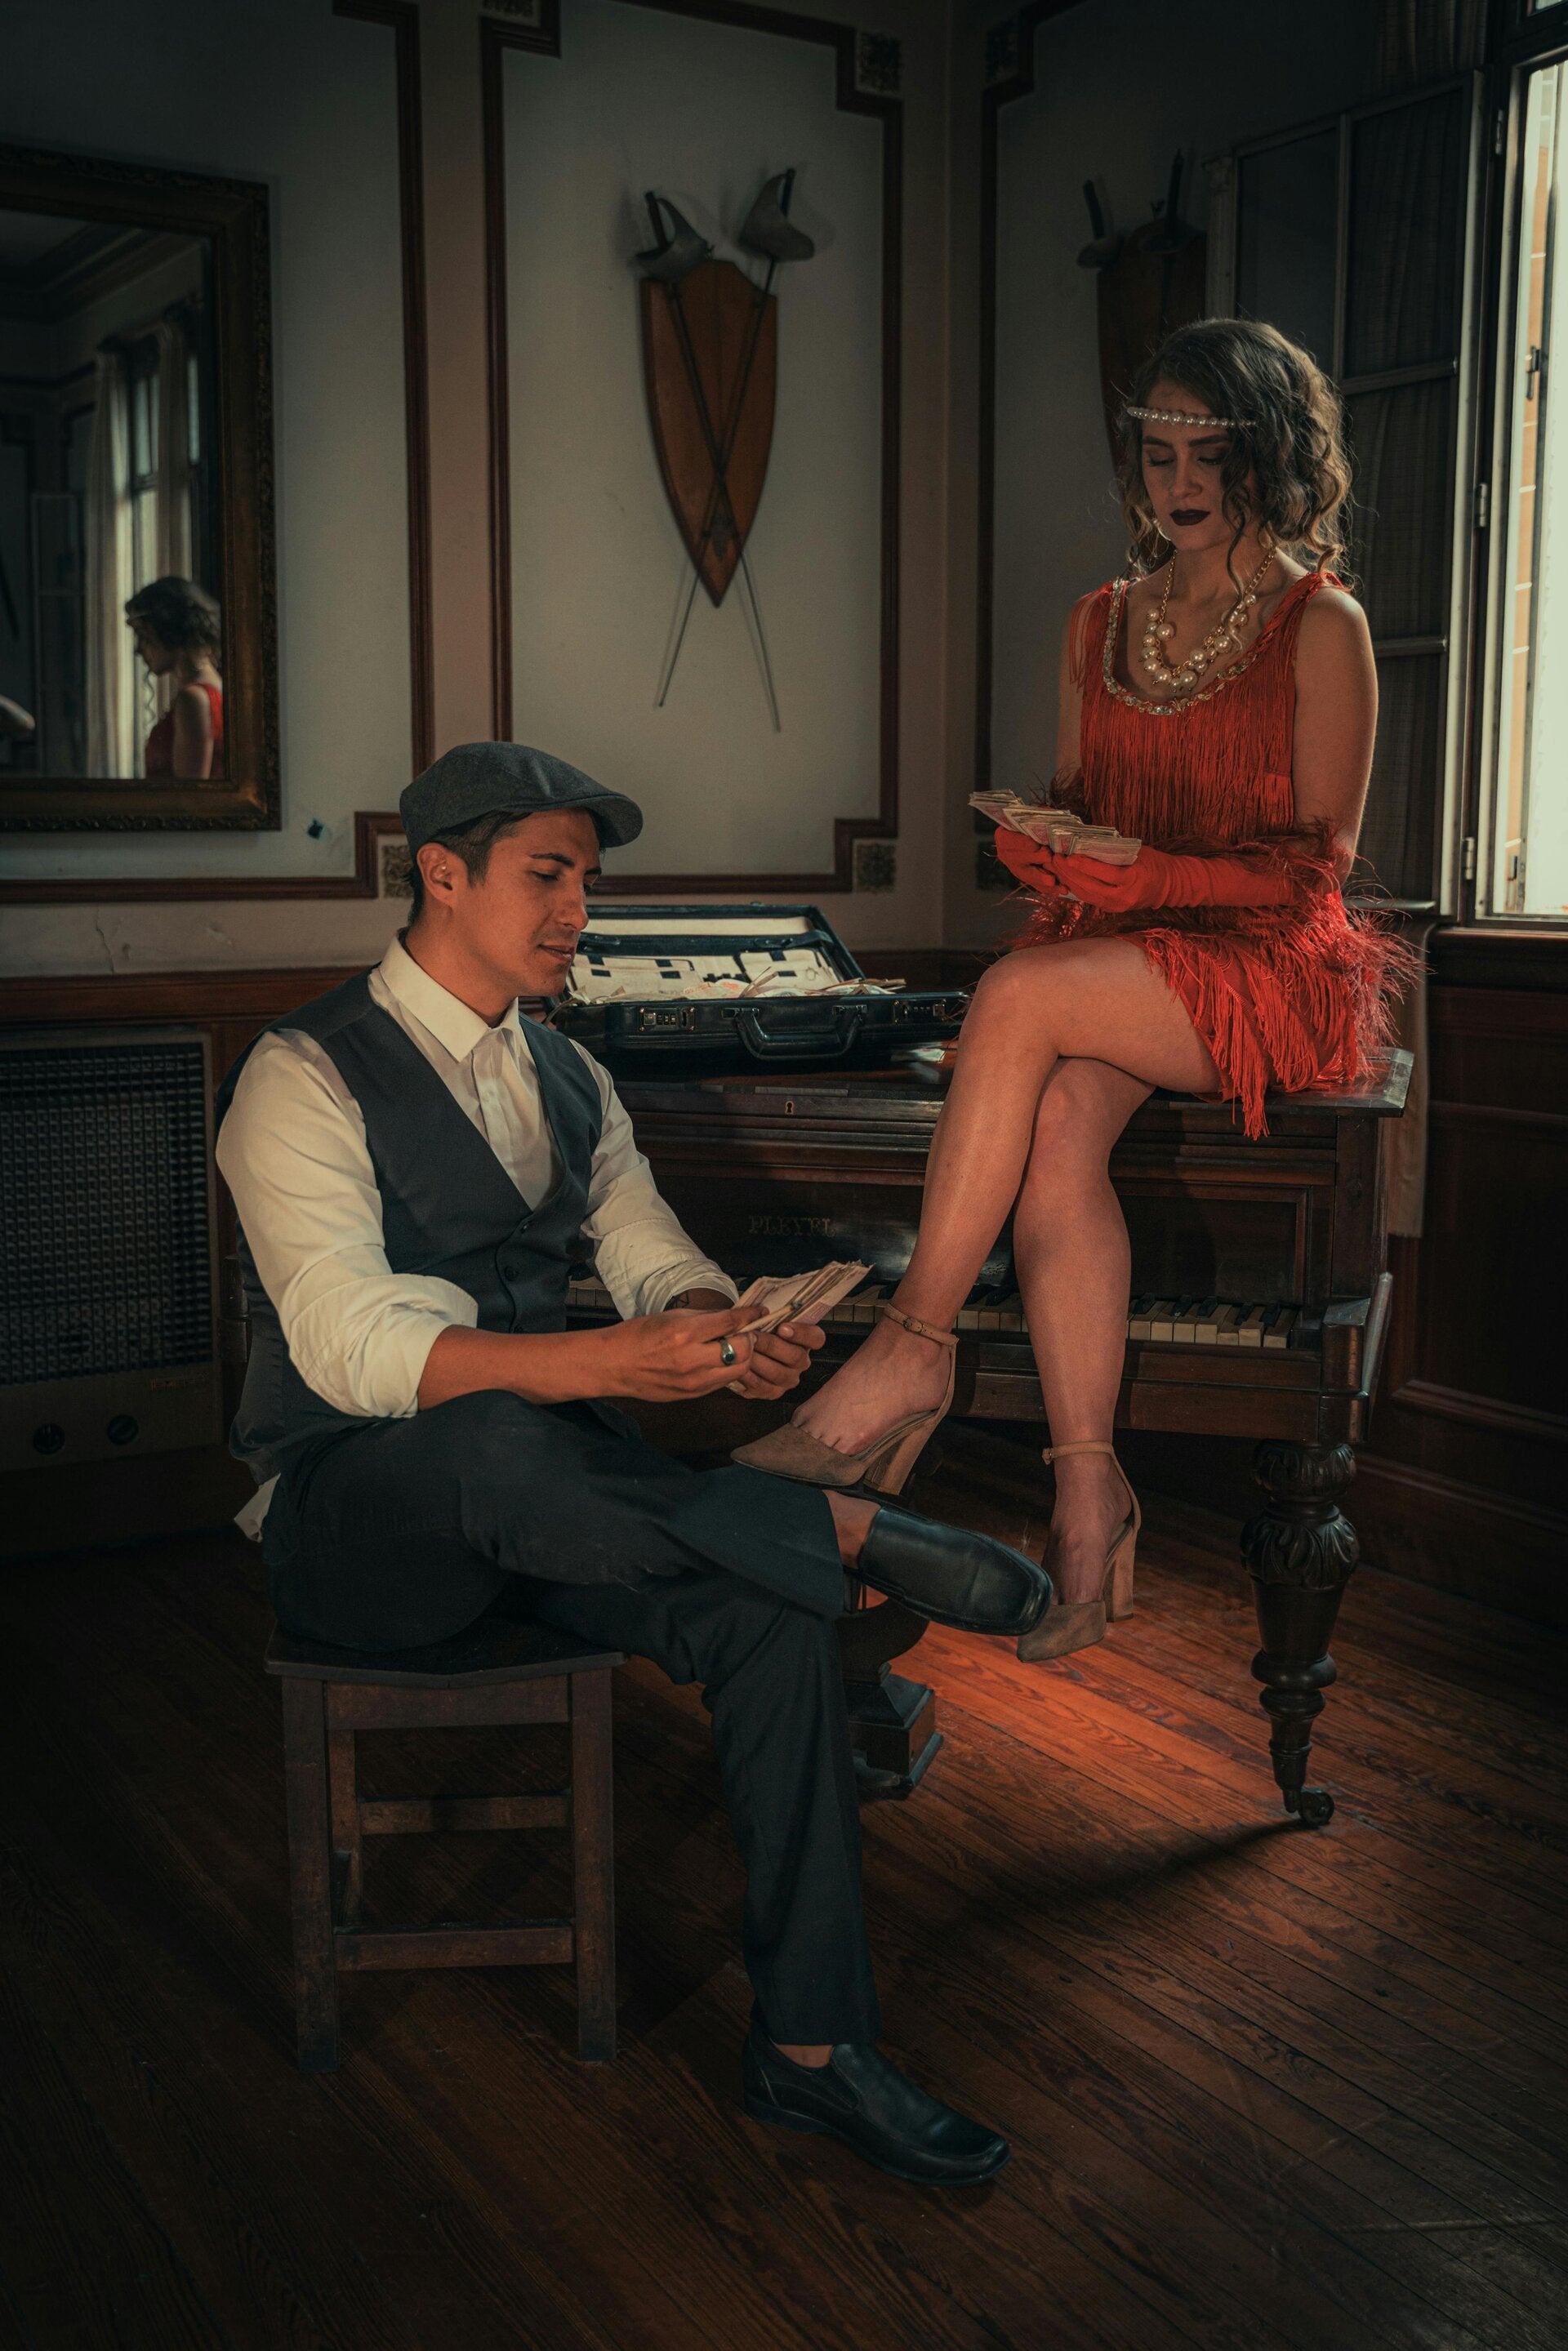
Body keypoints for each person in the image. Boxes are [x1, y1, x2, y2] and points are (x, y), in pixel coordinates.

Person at [216, 741, 1051, 2188]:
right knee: (485, 1425)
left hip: (567, 1509)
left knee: (769, 1613)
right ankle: (834, 1526)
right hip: (365, 1525)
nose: (579, 910)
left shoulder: (571, 1071)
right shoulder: (300, 1073)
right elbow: (354, 1347)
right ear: (442, 873)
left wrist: (718, 1329)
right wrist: (610, 1364)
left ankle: (812, 2049)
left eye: (588, 880)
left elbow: (650, 1249)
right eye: (549, 875)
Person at [735, 317, 1416, 1664]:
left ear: (1271, 453)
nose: (1181, 479)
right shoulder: (1100, 621)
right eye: (1159, 452)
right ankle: (1090, 1493)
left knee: (1014, 996)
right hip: (1124, 959)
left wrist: (1148, 871)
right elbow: (1082, 813)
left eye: (1210, 452)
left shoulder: (1321, 623)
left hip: (1270, 967)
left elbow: (1314, 875)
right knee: (1051, 1121)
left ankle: (912, 1348)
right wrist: (1047, 849)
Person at [126, 575, 224, 780]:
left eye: (143, 636)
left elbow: (190, 793)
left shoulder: (193, 699)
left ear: (170, 630)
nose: (138, 649)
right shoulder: (214, 688)